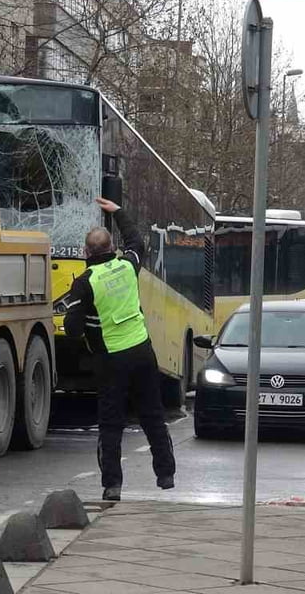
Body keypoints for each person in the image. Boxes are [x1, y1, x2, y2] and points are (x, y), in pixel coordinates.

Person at [63, 198, 176, 501]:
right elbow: (137, 241)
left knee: (111, 424)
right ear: (112, 247)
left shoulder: (85, 283)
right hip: (142, 351)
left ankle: (112, 486)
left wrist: (89, 326)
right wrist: (118, 212)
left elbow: (72, 329)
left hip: (110, 360)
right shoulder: (128, 265)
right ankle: (165, 474)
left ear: (87, 253)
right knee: (152, 415)